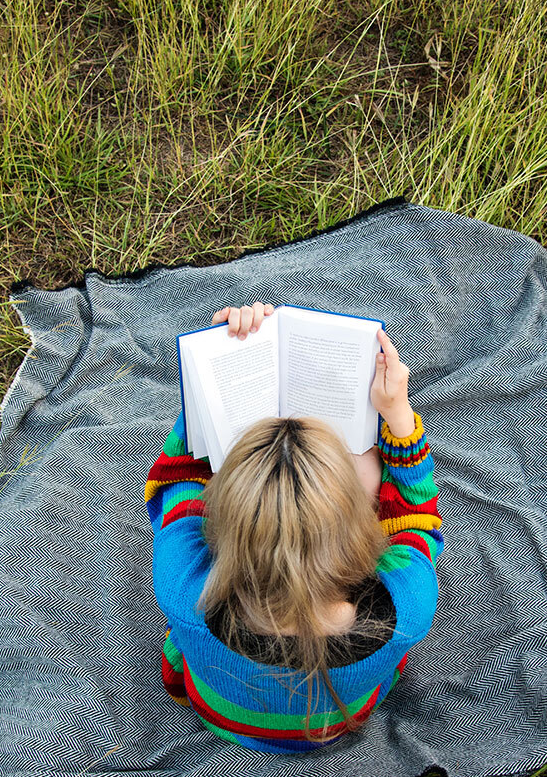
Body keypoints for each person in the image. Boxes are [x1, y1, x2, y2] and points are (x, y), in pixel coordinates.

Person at [144, 302, 443, 752]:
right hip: (342, 716)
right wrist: (396, 419)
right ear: (365, 520)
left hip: (214, 707)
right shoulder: (408, 608)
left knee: (178, 647)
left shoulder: (181, 585)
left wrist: (212, 375)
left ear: (224, 517)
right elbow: (418, 519)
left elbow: (178, 475)